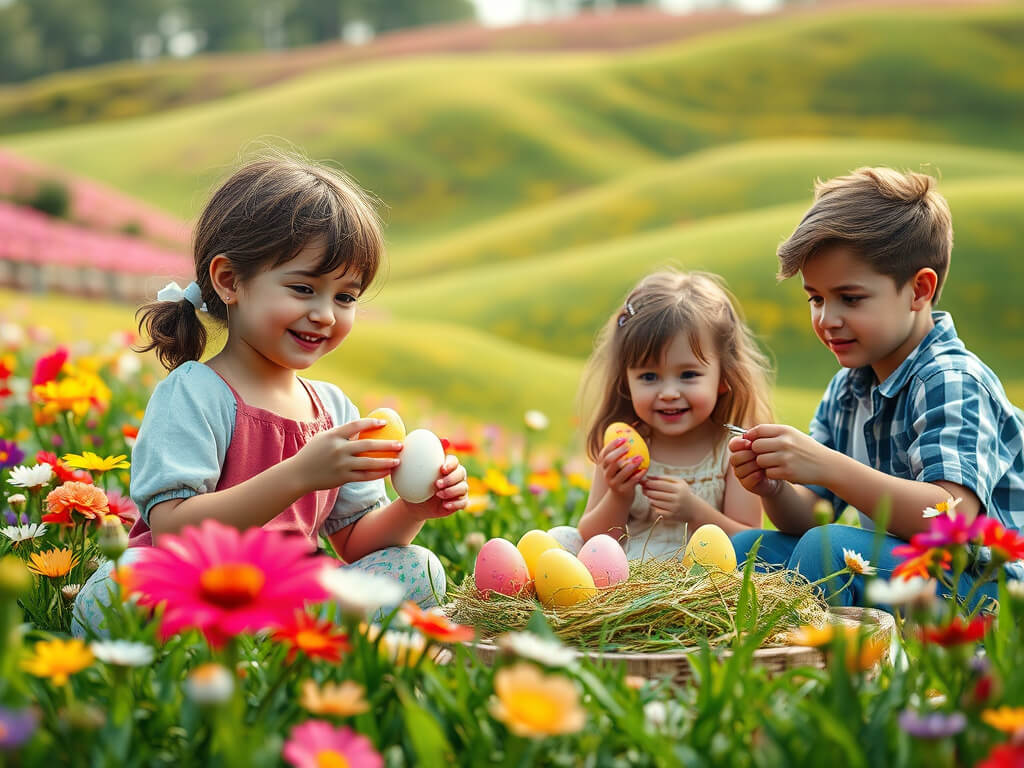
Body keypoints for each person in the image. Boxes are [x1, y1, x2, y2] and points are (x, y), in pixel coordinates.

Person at [73, 154, 468, 637]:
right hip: (191, 590)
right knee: (116, 589)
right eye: (304, 288)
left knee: (418, 568)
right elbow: (175, 531)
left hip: (286, 597)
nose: (325, 314)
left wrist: (415, 509)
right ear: (229, 280)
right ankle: (250, 648)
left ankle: (285, 645)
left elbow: (354, 543)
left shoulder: (334, 410)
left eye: (345, 297)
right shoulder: (195, 395)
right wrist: (300, 474)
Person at [729, 167, 1024, 607]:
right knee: (750, 552)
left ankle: (840, 664)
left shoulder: (951, 379)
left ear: (919, 291)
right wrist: (774, 488)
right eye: (816, 298)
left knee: (824, 552)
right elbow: (811, 515)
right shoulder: (848, 390)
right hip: (899, 569)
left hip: (985, 587)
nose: (827, 319)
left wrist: (826, 465)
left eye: (850, 298)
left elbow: (949, 515)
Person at [573, 270, 773, 560]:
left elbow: (751, 543)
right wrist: (619, 495)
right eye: (649, 376)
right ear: (625, 381)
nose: (668, 392)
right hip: (626, 582)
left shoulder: (734, 451)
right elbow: (592, 541)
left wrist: (695, 511)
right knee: (562, 539)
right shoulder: (624, 446)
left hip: (700, 584)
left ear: (723, 378)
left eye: (688, 374)